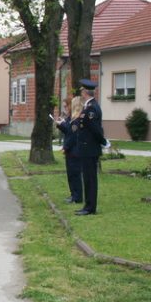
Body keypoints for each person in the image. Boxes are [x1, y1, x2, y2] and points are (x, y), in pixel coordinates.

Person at [75, 79, 106, 216]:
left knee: (90, 179)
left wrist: (103, 141)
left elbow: (95, 129)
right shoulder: (88, 106)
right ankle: (87, 205)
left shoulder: (92, 108)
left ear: (85, 92)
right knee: (87, 178)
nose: (81, 92)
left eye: (82, 90)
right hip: (87, 148)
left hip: (90, 149)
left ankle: (90, 207)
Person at [55, 96, 83, 205]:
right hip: (71, 151)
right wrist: (60, 125)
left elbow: (72, 136)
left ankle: (77, 197)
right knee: (71, 174)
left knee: (75, 174)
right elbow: (67, 130)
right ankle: (73, 195)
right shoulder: (71, 117)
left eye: (67, 106)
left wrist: (65, 147)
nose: (65, 108)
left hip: (74, 151)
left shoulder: (76, 119)